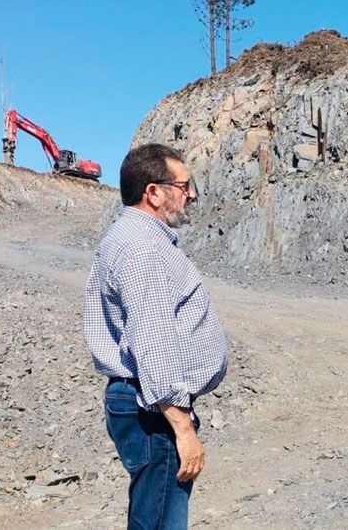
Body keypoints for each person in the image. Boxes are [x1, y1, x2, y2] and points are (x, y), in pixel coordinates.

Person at [82, 143, 228, 529]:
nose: (191, 194)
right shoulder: (142, 248)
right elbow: (153, 341)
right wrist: (183, 427)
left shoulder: (133, 239)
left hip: (147, 403)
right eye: (183, 185)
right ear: (154, 192)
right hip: (154, 410)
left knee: (152, 514)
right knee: (161, 522)